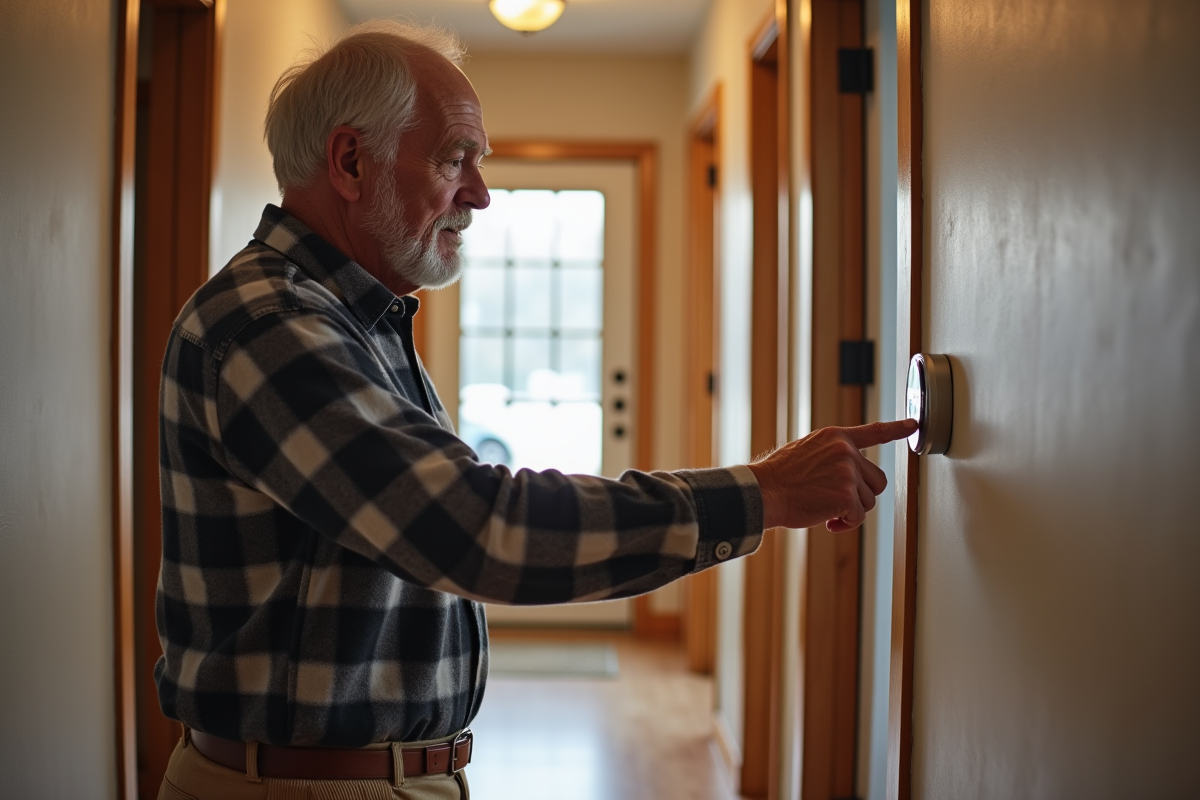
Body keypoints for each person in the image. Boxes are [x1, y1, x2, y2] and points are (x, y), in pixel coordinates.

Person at [154, 20, 917, 800]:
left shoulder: (354, 317)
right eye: (456, 159)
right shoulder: (271, 327)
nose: (480, 194)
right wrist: (765, 492)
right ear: (351, 161)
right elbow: (480, 529)